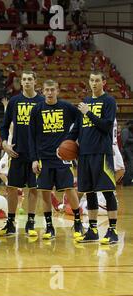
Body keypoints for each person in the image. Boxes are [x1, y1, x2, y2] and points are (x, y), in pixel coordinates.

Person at [66, 71, 120, 244]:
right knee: (89, 193)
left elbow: (106, 125)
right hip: (84, 154)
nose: (94, 83)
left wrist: (89, 113)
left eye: (97, 80)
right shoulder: (85, 102)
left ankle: (112, 231)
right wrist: (64, 144)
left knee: (107, 191)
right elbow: (77, 129)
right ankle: (93, 230)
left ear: (104, 82)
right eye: (92, 80)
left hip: (102, 153)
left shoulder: (109, 101)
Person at [29, 79, 84, 239]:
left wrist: (74, 141)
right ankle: (49, 227)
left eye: (53, 89)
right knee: (45, 193)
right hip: (44, 158)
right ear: (43, 91)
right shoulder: (37, 109)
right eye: (47, 90)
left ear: (57, 91)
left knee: (70, 189)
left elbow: (80, 121)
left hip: (63, 158)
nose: (50, 92)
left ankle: (78, 222)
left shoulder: (66, 107)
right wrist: (34, 159)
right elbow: (31, 136)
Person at [0, 70, 44, 237]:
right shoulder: (14, 101)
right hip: (17, 152)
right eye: (24, 79)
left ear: (35, 81)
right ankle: (10, 222)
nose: (26, 82)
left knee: (33, 189)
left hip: (36, 154)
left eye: (29, 79)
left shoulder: (42, 101)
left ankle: (30, 223)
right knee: (11, 187)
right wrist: (4, 143)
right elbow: (4, 126)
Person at [121, 121, 133, 186]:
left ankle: (128, 181)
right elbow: (125, 141)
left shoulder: (128, 130)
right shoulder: (125, 130)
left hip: (129, 151)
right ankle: (126, 182)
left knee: (129, 166)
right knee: (130, 166)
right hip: (127, 151)